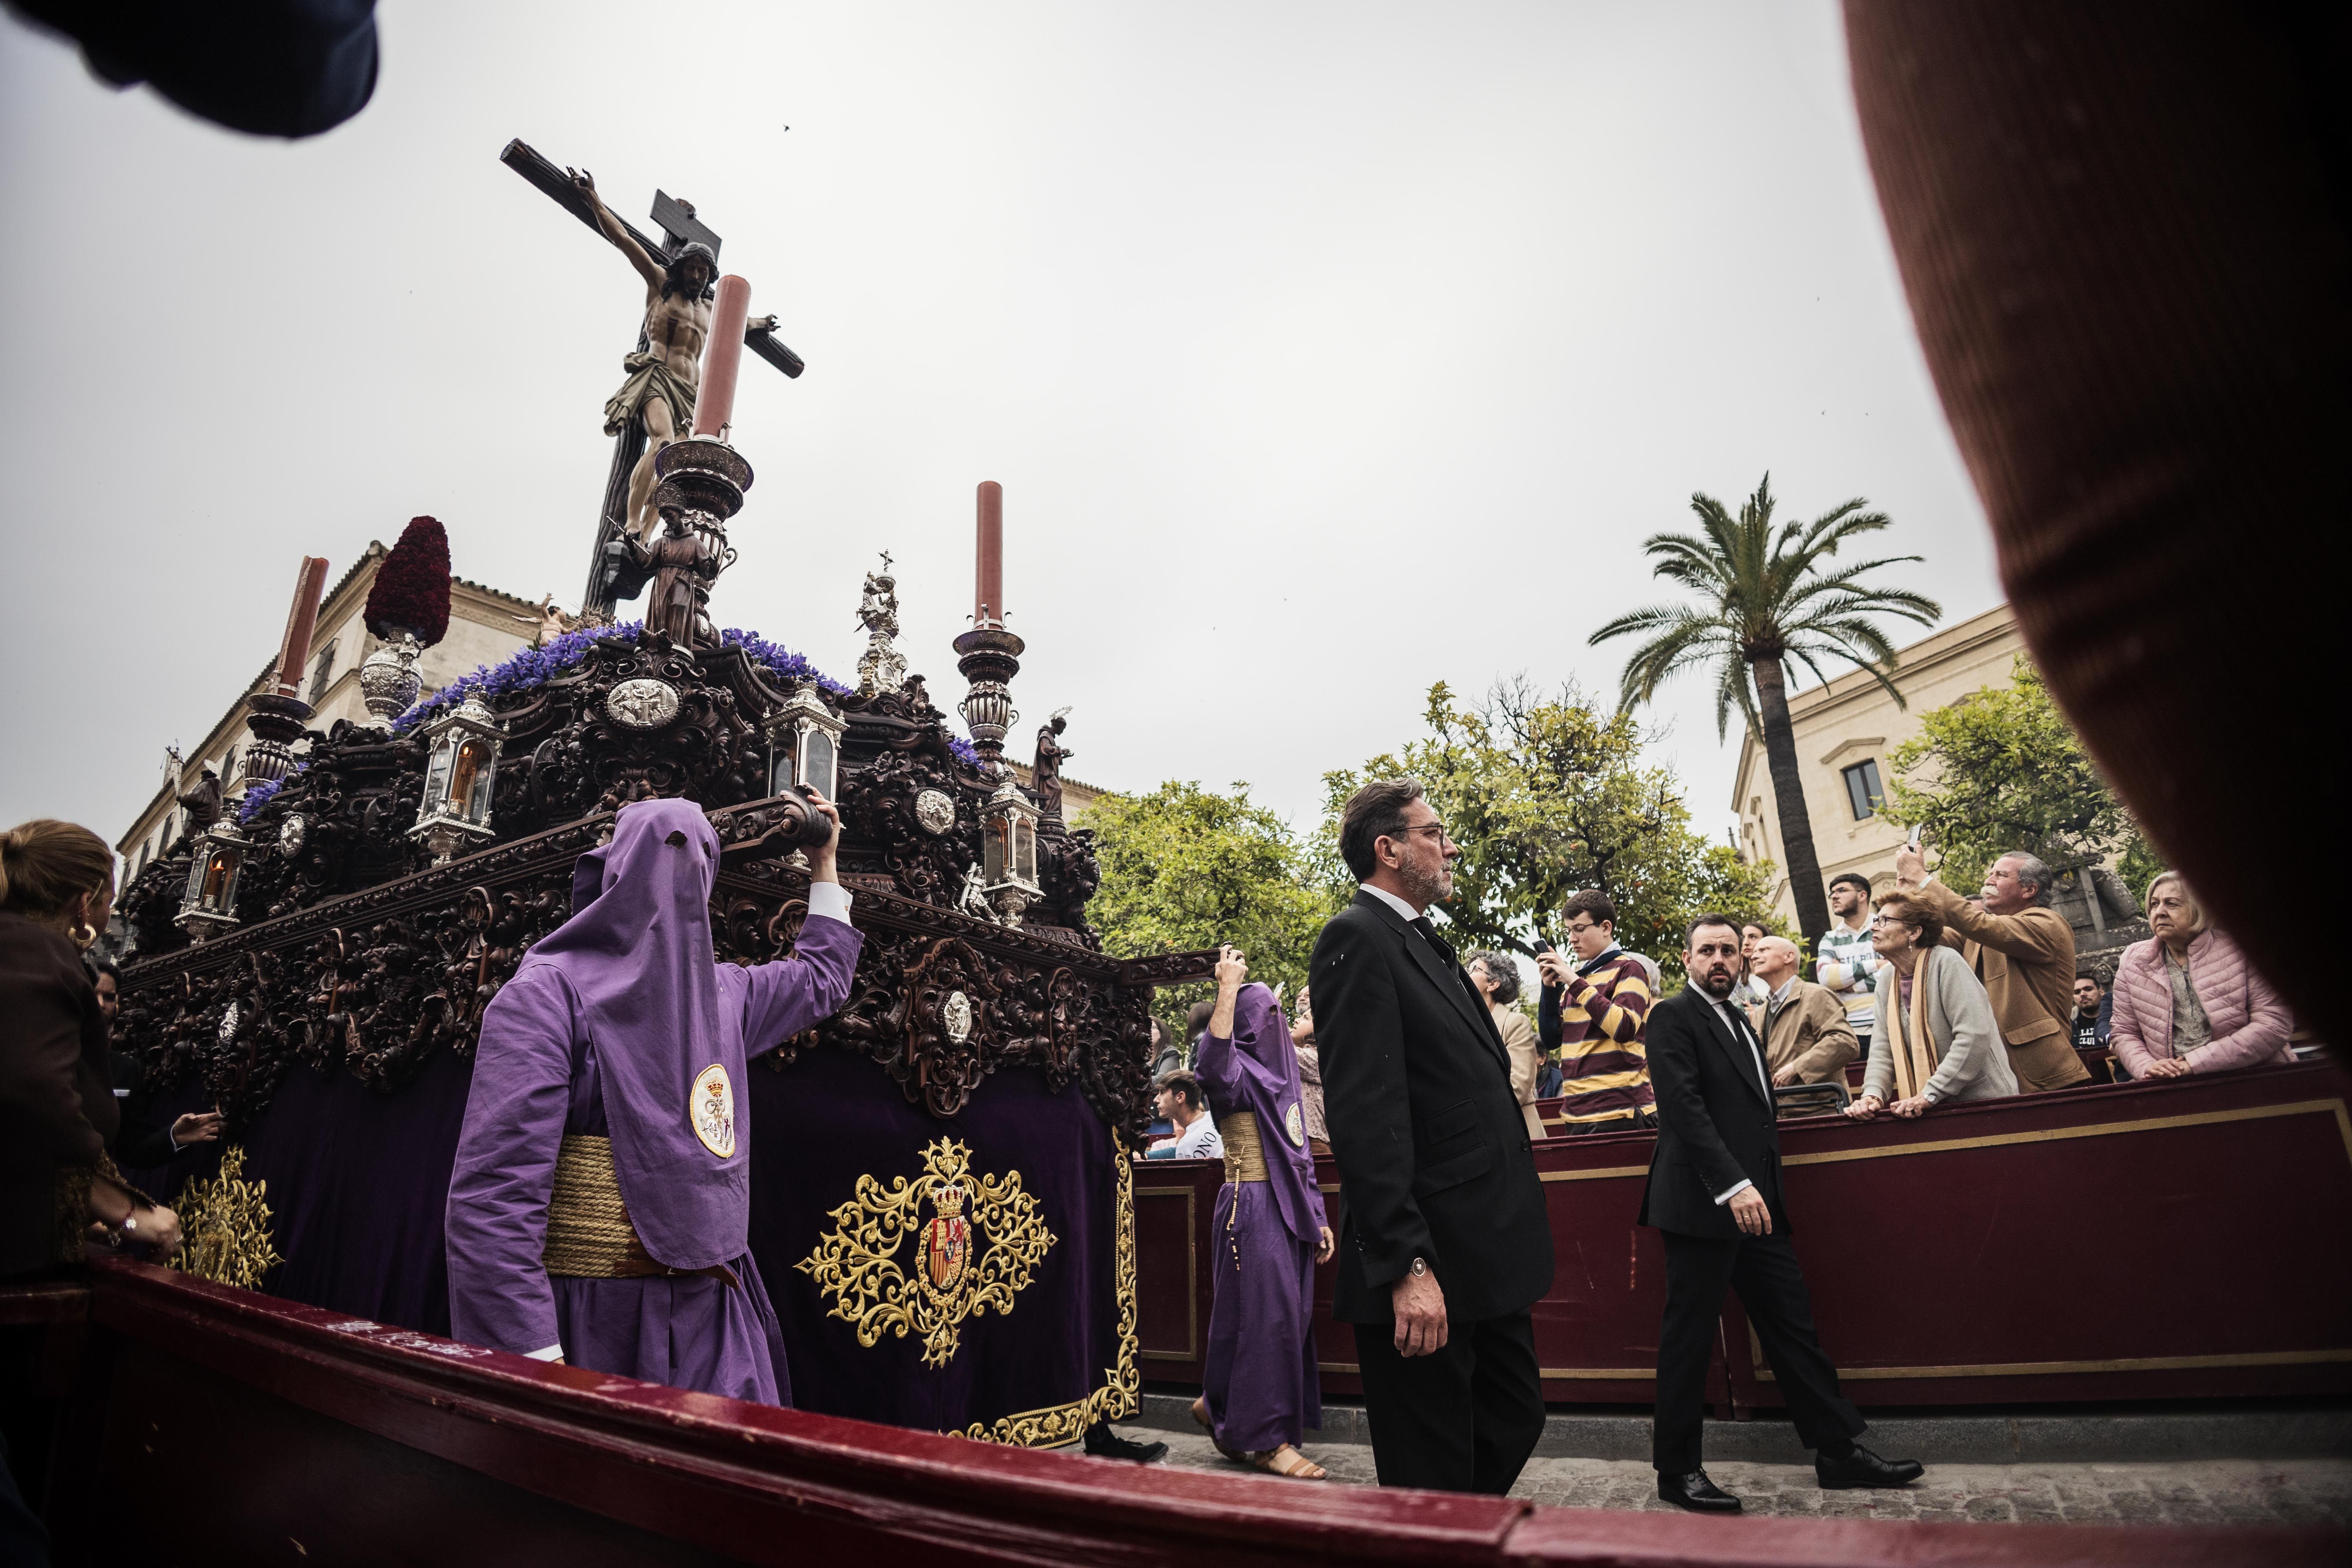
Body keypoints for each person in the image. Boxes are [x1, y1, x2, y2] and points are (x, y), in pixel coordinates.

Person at [444, 795, 861, 1403]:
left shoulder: (725, 993)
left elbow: (820, 981)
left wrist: (826, 863)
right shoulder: (545, 997)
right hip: (592, 1323)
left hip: (714, 1319)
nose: (677, 873)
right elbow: (495, 1197)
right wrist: (533, 1366)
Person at [1309, 780, 1551, 1495]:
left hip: (1480, 1251)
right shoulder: (1355, 936)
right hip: (1427, 1258)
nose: (1449, 846)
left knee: (1513, 1414)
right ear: (1387, 848)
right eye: (1433, 832)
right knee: (1430, 1470)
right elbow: (1365, 1115)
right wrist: (1407, 1265)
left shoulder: (1422, 939)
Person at [1642, 913, 1920, 1512]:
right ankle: (1677, 1471)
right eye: (1707, 950)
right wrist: (1733, 1186)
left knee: (1792, 1325)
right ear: (1687, 959)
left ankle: (1837, 1452)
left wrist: (1759, 1190)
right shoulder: (1671, 1015)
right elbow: (1684, 1111)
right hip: (1703, 1203)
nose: (1719, 959)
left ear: (1740, 962)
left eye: (1728, 951)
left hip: (1758, 1203)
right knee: (1688, 1339)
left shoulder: (1741, 1017)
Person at [1188, 947, 1336, 1479]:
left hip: (1290, 1209)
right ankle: (1269, 1442)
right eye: (1268, 1013)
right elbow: (1209, 1066)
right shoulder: (1239, 1071)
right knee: (1265, 1321)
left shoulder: (1284, 1075)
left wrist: (1317, 1213)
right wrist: (1228, 990)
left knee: (1279, 1319)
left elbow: (1298, 1151)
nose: (1278, 1021)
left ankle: (1217, 1404)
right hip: (1250, 1204)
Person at [1893, 845, 2090, 1092]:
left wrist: (1922, 878)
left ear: (2030, 890)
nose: (1989, 880)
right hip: (1991, 1071)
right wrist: (1907, 898)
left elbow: (1976, 923)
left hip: (2040, 1072)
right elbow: (1926, 938)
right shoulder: (1978, 934)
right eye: (1990, 873)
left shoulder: (2048, 923)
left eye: (2001, 875)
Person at [2108, 873, 2294, 1082]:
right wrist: (2149, 1067)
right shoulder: (2133, 960)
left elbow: (2273, 1023)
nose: (2159, 912)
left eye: (2172, 904)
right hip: (2171, 1085)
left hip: (2255, 1079)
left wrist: (2194, 1063)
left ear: (2200, 909)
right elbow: (2124, 1032)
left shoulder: (2243, 950)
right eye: (2154, 904)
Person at [1845, 894, 2016, 1120]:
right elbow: (1882, 1048)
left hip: (1983, 1105)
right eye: (1876, 919)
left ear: (1914, 933)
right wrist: (1872, 1096)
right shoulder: (1887, 979)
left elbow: (1973, 1036)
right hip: (1931, 1107)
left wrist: (1930, 1093)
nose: (1874, 927)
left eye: (1884, 920)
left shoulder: (1948, 962)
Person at [1535, 891, 1658, 1134]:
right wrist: (1549, 990)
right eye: (1569, 930)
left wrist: (1572, 979)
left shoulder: (1630, 969)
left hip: (1622, 1110)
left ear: (1606, 927)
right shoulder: (1579, 981)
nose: (1572, 938)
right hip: (1577, 1113)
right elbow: (1551, 1040)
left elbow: (1623, 1028)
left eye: (1579, 929)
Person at [90, 959, 223, 1168]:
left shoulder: (126, 1070)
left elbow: (131, 1148)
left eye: (108, 997)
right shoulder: (43, 1051)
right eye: (91, 993)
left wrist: (174, 1136)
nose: (100, 1004)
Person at [1747, 937, 1858, 1087]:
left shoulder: (1816, 995)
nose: (1754, 956)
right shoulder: (1760, 1012)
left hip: (1818, 1108)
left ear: (1789, 956)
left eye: (1763, 950)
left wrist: (1797, 1068)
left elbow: (1845, 1043)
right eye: (1754, 952)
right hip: (1780, 1109)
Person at [1468, 951, 1546, 1140]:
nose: (1465, 973)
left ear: (1493, 984)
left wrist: (1470, 1114)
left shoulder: (1515, 1023)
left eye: (1473, 969)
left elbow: (1518, 1086)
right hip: (1483, 1136)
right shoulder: (1466, 1024)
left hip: (1517, 1132)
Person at [1816, 872, 1881, 1060]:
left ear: (1863, 896)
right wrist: (1875, 964)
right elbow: (1826, 978)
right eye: (1832, 893)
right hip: (1851, 1031)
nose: (1834, 896)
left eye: (1842, 891)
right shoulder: (1830, 938)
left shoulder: (1885, 926)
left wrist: (1847, 984)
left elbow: (1894, 973)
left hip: (1888, 1023)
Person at [1288, 987, 1330, 1154]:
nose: (1297, 1021)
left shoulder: (1318, 1058)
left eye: (1306, 1018)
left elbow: (1283, 1052)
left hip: (1314, 1144)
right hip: (1301, 1143)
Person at [1144, 1071, 1221, 1160]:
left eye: (1162, 1093)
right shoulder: (1216, 1118)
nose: (1156, 1100)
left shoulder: (1184, 1147)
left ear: (1180, 1098)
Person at [2069, 975, 2108, 1053]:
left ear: (2101, 992)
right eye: (2077, 992)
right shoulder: (2067, 1024)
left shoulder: (2121, 1016)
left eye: (2088, 989)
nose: (2083, 994)